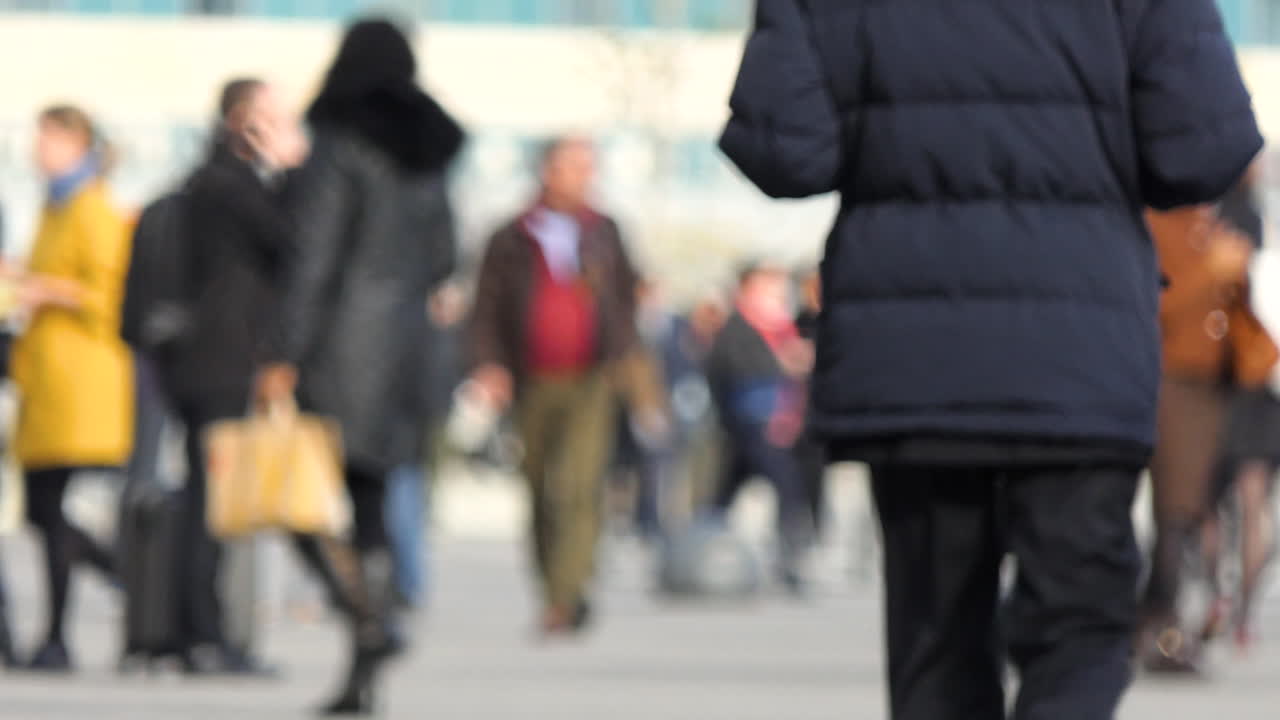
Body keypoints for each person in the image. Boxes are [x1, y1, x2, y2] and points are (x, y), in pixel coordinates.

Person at [719, 1, 1262, 718]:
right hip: (1078, 353)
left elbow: (785, 150)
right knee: (1078, 627)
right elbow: (1202, 151)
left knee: (936, 637)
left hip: (915, 354)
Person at [259, 18, 463, 714]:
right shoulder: (431, 157)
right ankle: (364, 665)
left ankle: (368, 621)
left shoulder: (340, 146)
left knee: (294, 498)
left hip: (341, 345)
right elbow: (442, 259)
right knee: (372, 502)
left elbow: (313, 257)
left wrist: (283, 351)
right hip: (405, 345)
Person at [150, 78, 306, 674]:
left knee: (208, 498)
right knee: (211, 503)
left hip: (202, 360)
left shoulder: (207, 181)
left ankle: (199, 631)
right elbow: (291, 241)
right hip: (217, 362)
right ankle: (203, 635)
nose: (286, 127)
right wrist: (292, 171)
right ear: (244, 122)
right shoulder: (227, 185)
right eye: (273, 116)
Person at [469, 136, 639, 636]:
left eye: (588, 167)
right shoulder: (512, 235)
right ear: (546, 170)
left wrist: (622, 354)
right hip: (531, 379)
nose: (581, 176)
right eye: (570, 166)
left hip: (591, 377)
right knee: (540, 486)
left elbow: (627, 298)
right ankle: (552, 591)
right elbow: (486, 306)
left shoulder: (604, 232)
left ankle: (570, 592)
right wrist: (488, 365)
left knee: (576, 485)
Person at [10, 105, 134, 672]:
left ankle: (59, 633)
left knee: (56, 512)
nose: (39, 151)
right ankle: (122, 574)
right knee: (43, 514)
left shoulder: (93, 208)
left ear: (77, 141)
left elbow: (110, 295)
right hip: (48, 380)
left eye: (48, 140)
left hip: (83, 382)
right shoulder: (53, 206)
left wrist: (40, 288)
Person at [705, 262, 813, 590]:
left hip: (780, 419)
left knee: (729, 489)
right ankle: (706, 551)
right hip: (753, 419)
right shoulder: (737, 326)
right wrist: (781, 363)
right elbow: (728, 370)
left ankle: (710, 544)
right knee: (784, 485)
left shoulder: (782, 326)